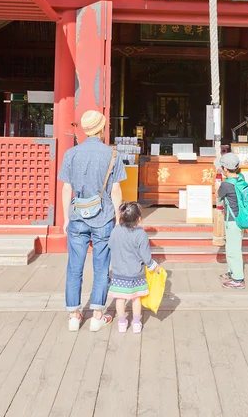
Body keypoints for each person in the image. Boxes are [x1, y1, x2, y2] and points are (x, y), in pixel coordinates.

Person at [58, 110, 126, 332]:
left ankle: (73, 316)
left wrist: (66, 217)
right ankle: (97, 315)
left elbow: (66, 187)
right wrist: (118, 218)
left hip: (78, 215)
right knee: (101, 266)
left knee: (74, 267)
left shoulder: (71, 154)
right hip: (104, 216)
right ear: (102, 128)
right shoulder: (112, 155)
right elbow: (115, 190)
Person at [108, 202, 159, 333]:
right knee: (136, 298)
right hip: (136, 273)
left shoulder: (115, 230)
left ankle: (121, 322)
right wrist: (154, 266)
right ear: (139, 218)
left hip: (119, 272)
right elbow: (146, 256)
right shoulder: (140, 234)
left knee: (120, 299)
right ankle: (136, 323)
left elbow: (110, 245)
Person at [215, 153, 245, 290]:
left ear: (225, 169)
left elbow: (219, 197)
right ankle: (232, 272)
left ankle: (238, 280)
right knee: (232, 247)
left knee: (233, 250)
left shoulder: (226, 185)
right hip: (240, 219)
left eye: (222, 167)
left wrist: (218, 186)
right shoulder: (241, 179)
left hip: (232, 221)